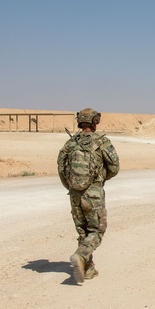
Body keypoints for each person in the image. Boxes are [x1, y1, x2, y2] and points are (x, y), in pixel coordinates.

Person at [57, 108, 120, 284]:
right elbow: (114, 167)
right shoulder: (102, 142)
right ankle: (81, 255)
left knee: (83, 230)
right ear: (95, 122)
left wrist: (71, 187)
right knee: (97, 230)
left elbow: (61, 168)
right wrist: (99, 181)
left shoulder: (70, 144)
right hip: (93, 193)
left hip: (75, 194)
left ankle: (88, 268)